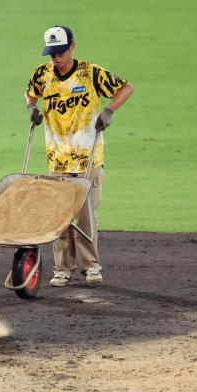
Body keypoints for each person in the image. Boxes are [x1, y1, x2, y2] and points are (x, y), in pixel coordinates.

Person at [24, 25, 133, 287]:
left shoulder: (91, 74)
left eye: (60, 52)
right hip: (58, 160)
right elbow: (29, 94)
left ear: (72, 46)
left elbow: (125, 88)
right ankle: (62, 268)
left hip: (88, 158)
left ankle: (91, 267)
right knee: (60, 217)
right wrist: (31, 108)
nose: (56, 58)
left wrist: (109, 111)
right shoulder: (43, 74)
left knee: (86, 216)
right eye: (51, 54)